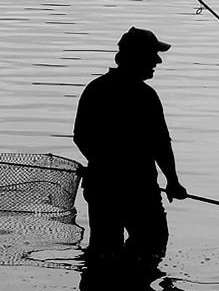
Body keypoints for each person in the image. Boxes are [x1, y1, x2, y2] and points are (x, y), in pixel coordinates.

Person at [73, 27, 188, 258]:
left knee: (103, 253)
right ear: (137, 58)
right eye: (153, 55)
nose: (158, 60)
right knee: (151, 246)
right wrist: (173, 181)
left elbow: (80, 137)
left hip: (101, 188)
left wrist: (103, 164)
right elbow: (161, 145)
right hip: (140, 191)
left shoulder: (95, 89)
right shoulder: (145, 96)